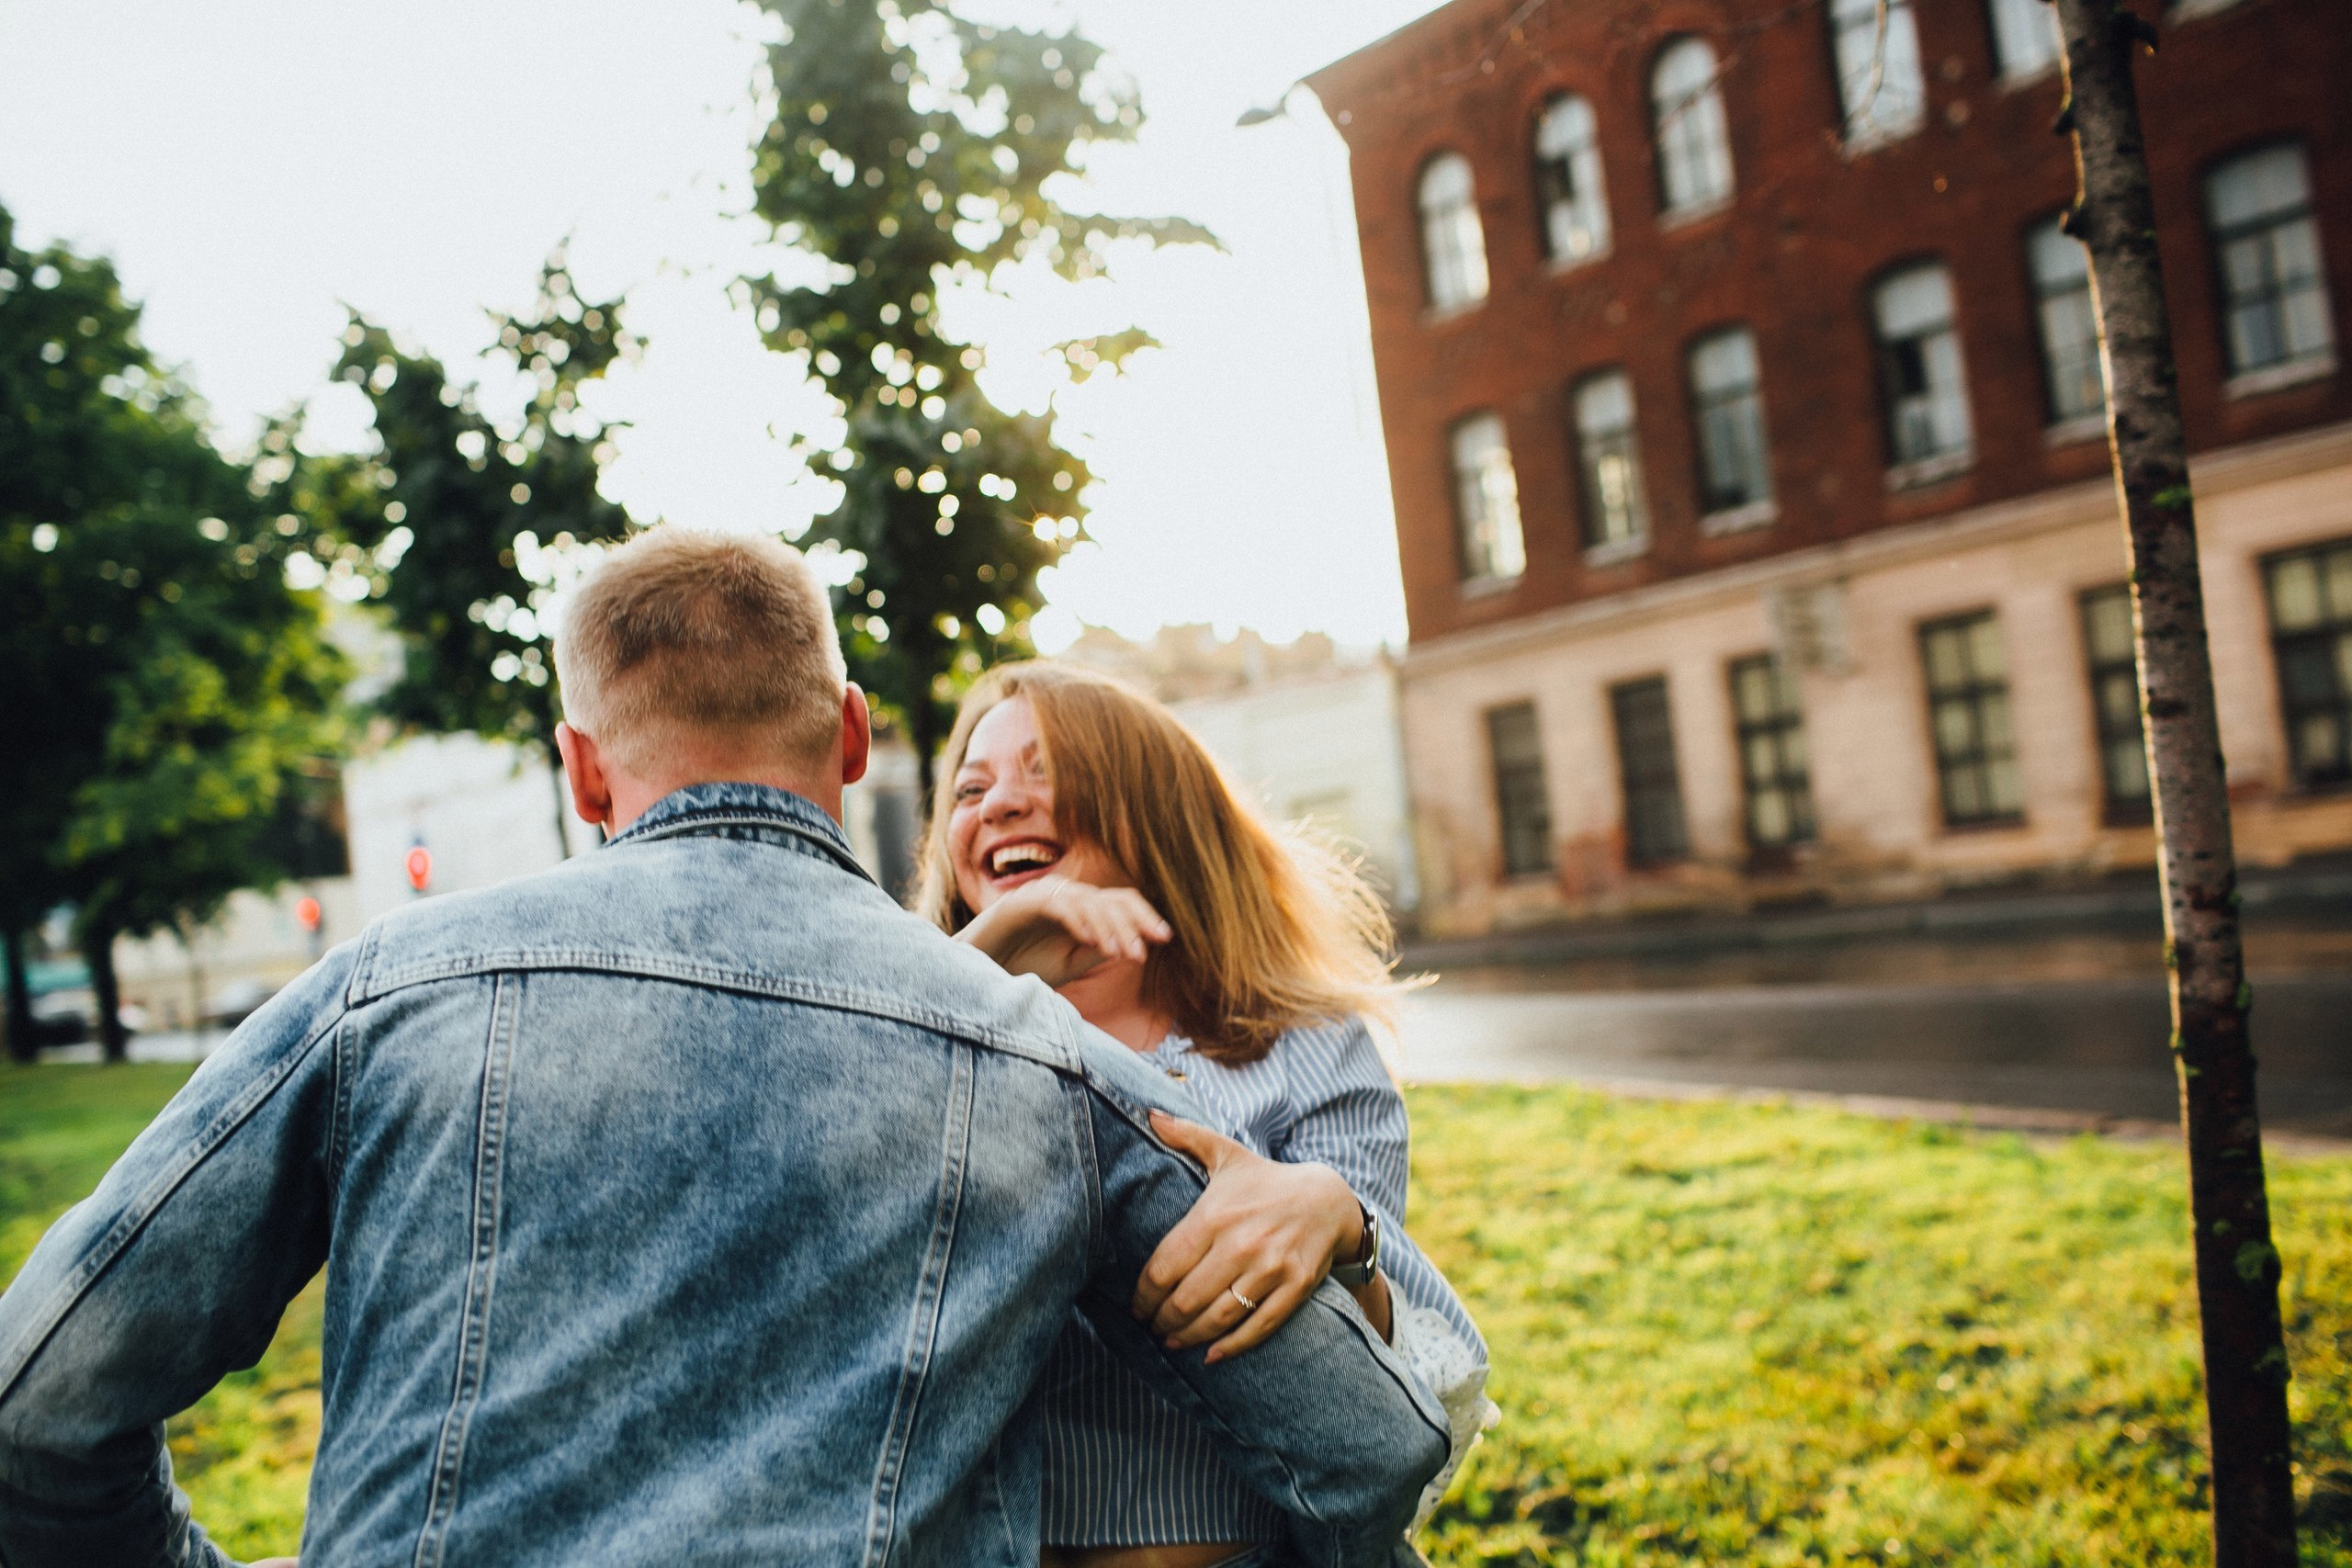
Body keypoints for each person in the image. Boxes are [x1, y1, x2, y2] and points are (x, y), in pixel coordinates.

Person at [0, 529, 1448, 1568]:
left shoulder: (384, 984)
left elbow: (38, 1397)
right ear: (857, 738)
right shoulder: (1035, 1060)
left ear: (580, 770)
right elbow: (1368, 1441)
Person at [920, 662, 1495, 1568]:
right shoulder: (923, 1058)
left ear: (1157, 816)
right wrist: (968, 973)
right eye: (971, 788)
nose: (998, 805)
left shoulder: (1303, 1045)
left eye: (1045, 772)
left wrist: (1337, 1220)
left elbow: (1393, 1388)